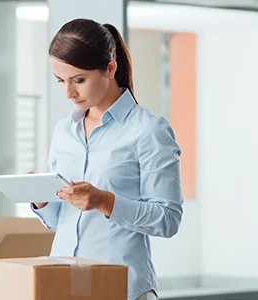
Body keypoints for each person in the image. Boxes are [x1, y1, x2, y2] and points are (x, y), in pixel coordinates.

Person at [31, 18, 183, 300]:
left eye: (78, 80)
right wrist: (41, 200)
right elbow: (61, 222)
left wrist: (104, 201)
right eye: (60, 81)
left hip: (121, 287)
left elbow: (168, 219)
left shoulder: (149, 130)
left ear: (110, 68)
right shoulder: (64, 131)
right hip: (63, 284)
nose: (68, 92)